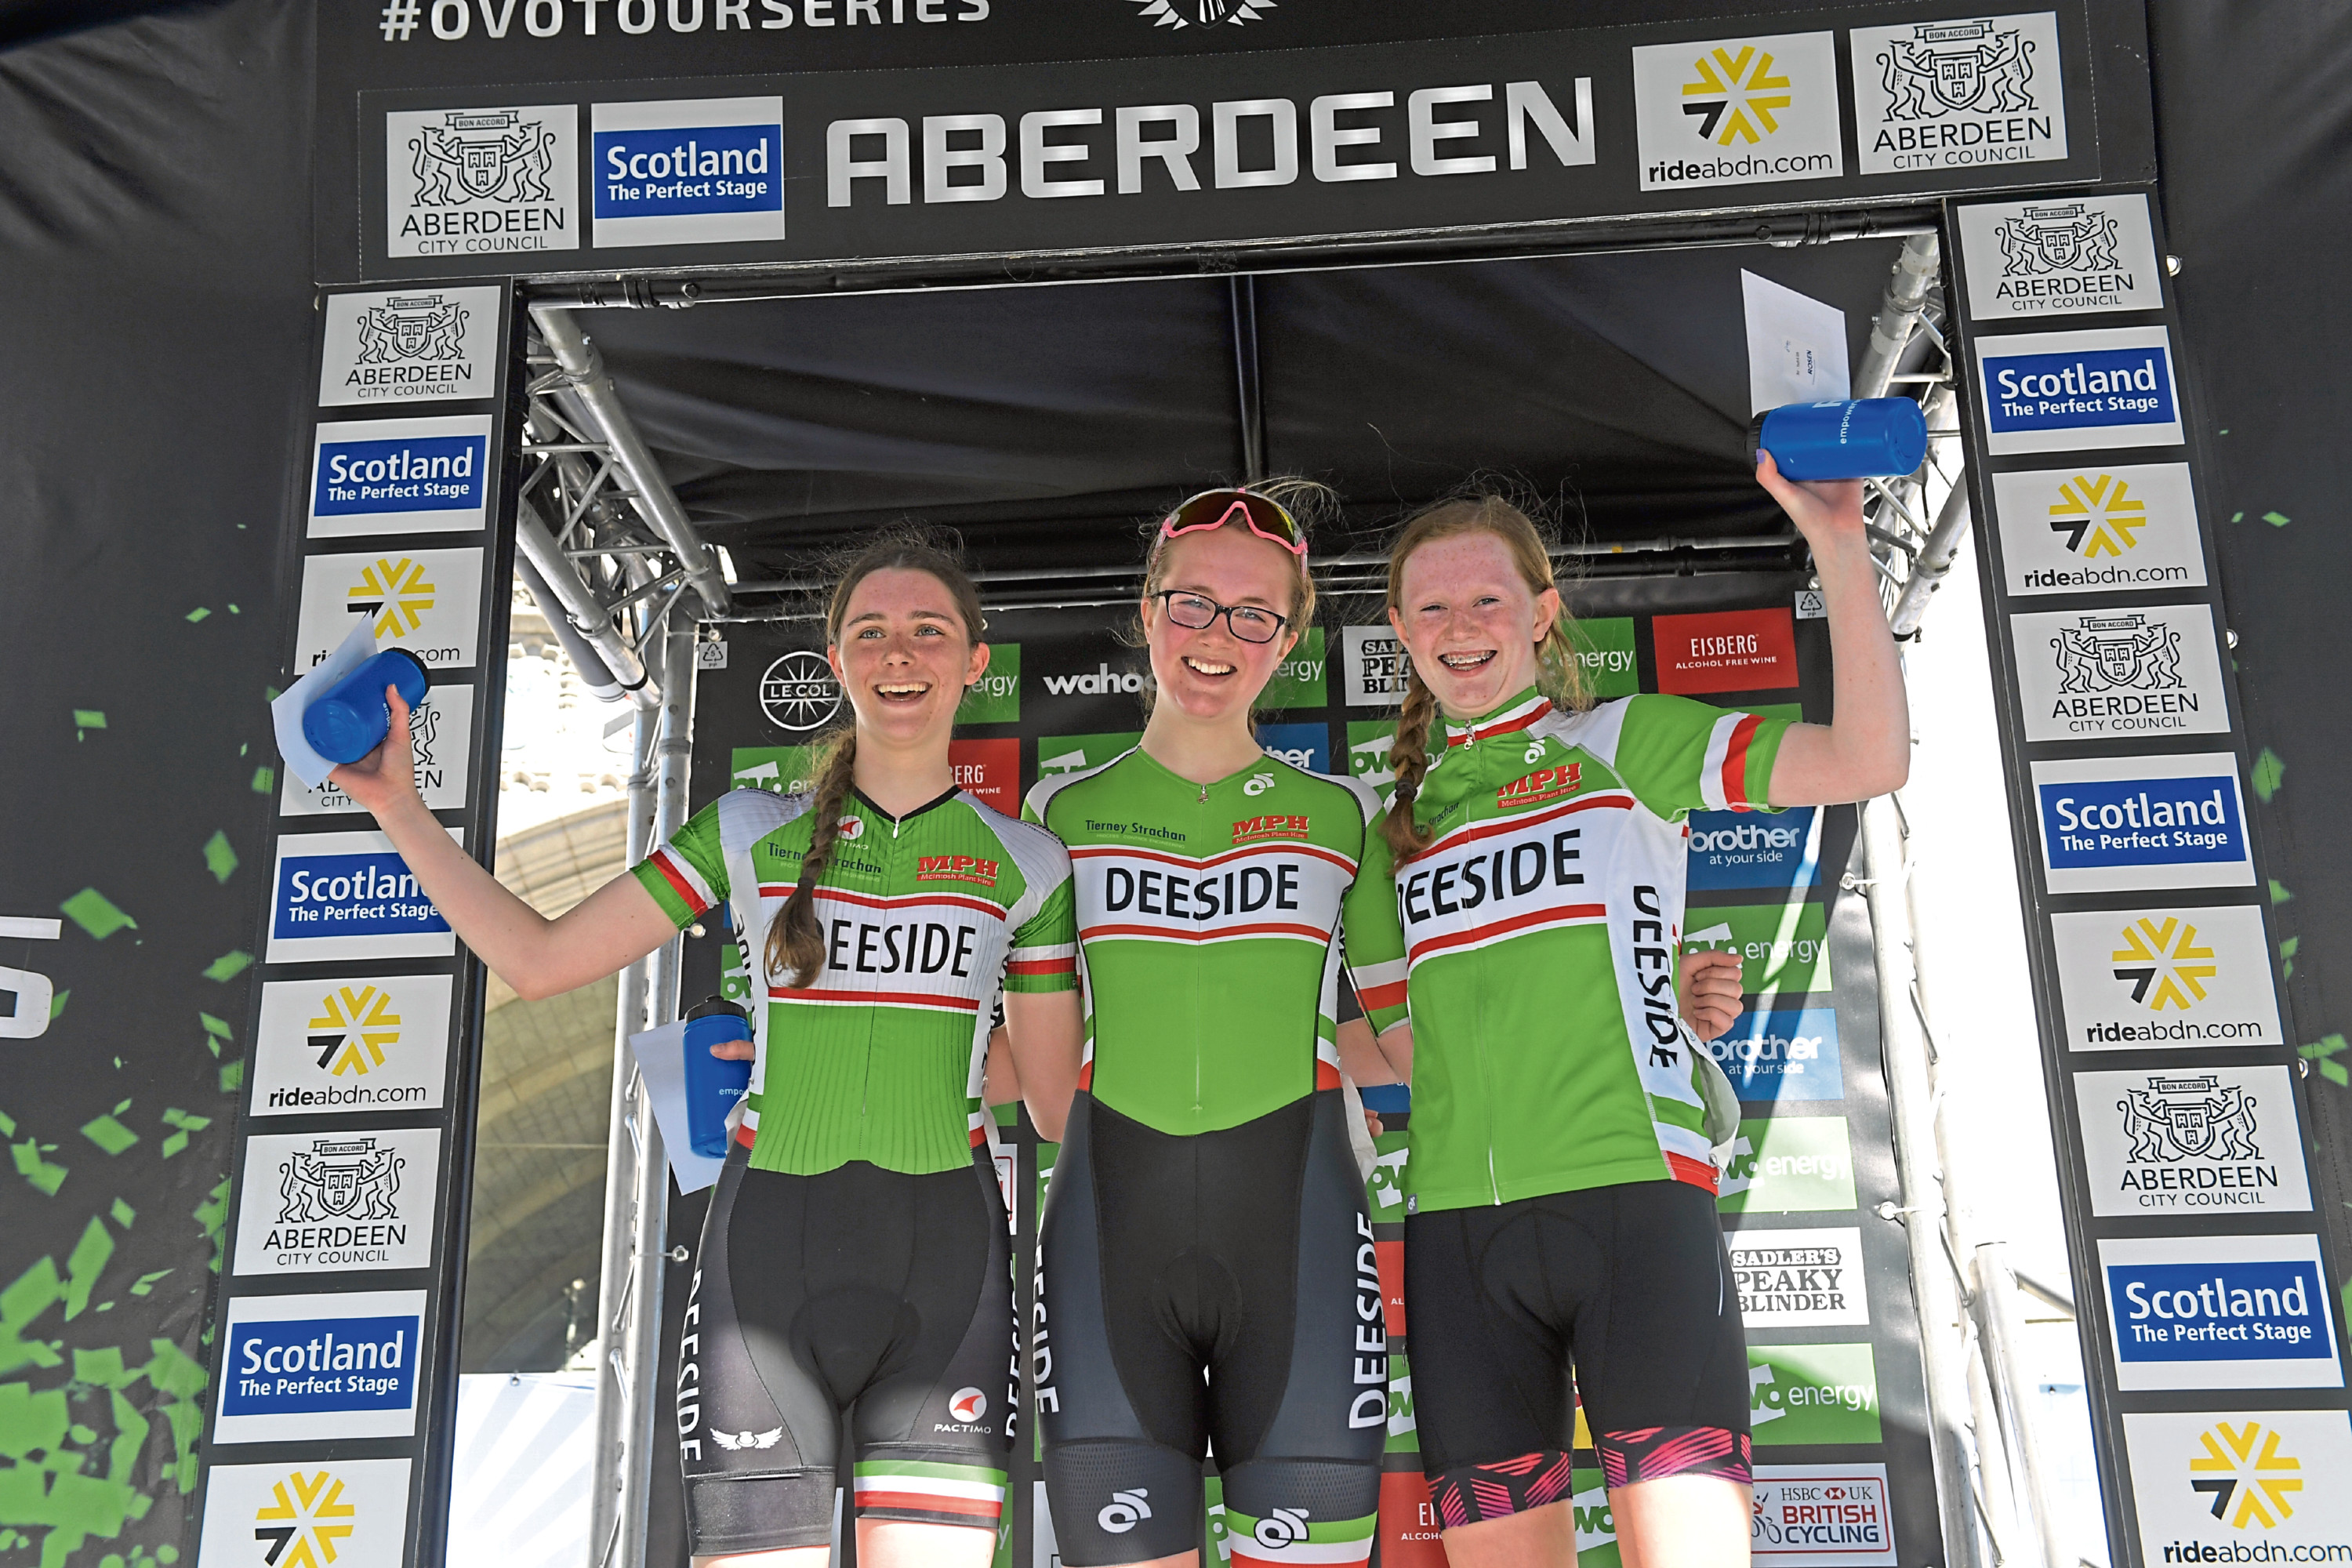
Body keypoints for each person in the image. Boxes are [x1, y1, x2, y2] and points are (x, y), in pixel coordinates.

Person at [329, 535, 1084, 1568]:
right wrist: (398, 808)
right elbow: (542, 960)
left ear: (974, 663)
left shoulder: (1031, 861)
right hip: (766, 1262)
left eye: (927, 632)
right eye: (871, 632)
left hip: (946, 1268)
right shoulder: (747, 833)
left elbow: (1045, 1099)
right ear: (836, 662)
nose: (898, 655)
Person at [1338, 457, 1908, 1568]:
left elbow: (1867, 758)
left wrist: (1839, 542)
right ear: (1401, 633)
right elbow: (1407, 1052)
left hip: (1637, 1208)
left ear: (1543, 613)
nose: (1462, 628)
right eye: (1433, 608)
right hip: (1461, 1237)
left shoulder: (1628, 745)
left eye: (1488, 600)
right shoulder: (1385, 830)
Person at [1022, 485, 1388, 1568]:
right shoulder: (1054, 815)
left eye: (1253, 614)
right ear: (1147, 611)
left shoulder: (1346, 816)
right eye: (1192, 604)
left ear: (1289, 641)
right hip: (1106, 1243)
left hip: (1303, 1244)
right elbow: (1037, 1079)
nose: (1216, 637)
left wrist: (1669, 1002)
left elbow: (1423, 1031)